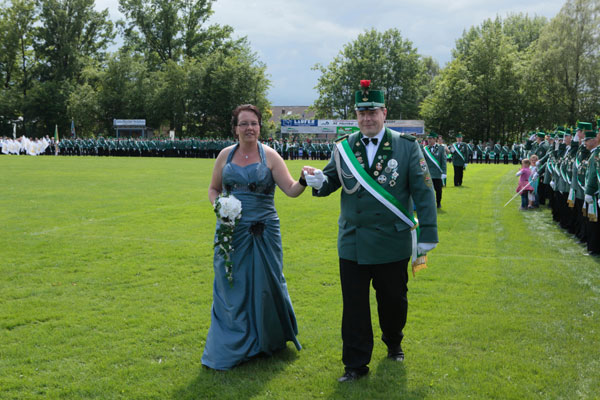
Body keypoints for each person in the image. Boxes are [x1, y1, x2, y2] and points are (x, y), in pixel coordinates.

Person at [302, 80, 438, 382]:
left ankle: (394, 341)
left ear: (384, 113)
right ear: (356, 115)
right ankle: (355, 364)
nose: (367, 118)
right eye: (362, 113)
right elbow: (331, 181)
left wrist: (428, 232)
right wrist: (318, 182)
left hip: (392, 241)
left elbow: (424, 190)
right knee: (354, 307)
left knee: (393, 301)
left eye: (372, 112)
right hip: (353, 241)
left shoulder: (406, 146)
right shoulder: (344, 147)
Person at [202, 104, 306, 370]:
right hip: (231, 231)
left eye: (254, 123)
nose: (249, 128)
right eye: (244, 123)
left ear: (260, 127)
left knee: (265, 285)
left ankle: (266, 339)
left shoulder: (271, 156)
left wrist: (304, 180)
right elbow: (214, 189)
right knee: (231, 285)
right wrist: (220, 205)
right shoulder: (224, 155)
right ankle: (233, 342)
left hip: (264, 231)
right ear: (235, 128)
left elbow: (291, 189)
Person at [423, 131, 447, 208]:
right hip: (428, 173)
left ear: (435, 139)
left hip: (437, 173)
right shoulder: (425, 149)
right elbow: (423, 161)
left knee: (438, 190)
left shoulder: (441, 148)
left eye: (430, 139)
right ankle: (429, 203)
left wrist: (444, 172)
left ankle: (438, 203)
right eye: (428, 139)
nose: (429, 140)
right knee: (428, 190)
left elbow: (443, 161)